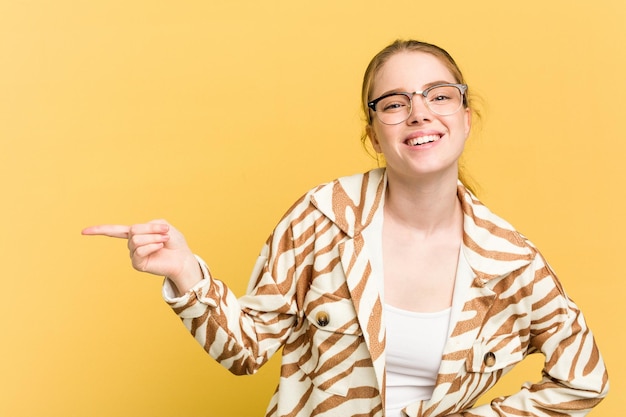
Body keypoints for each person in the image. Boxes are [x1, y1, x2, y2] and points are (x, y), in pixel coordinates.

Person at [83, 39, 609, 417]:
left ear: (466, 118)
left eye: (439, 95)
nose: (419, 113)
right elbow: (246, 351)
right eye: (395, 103)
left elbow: (582, 381)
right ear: (374, 135)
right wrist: (183, 271)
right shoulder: (320, 218)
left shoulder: (510, 261)